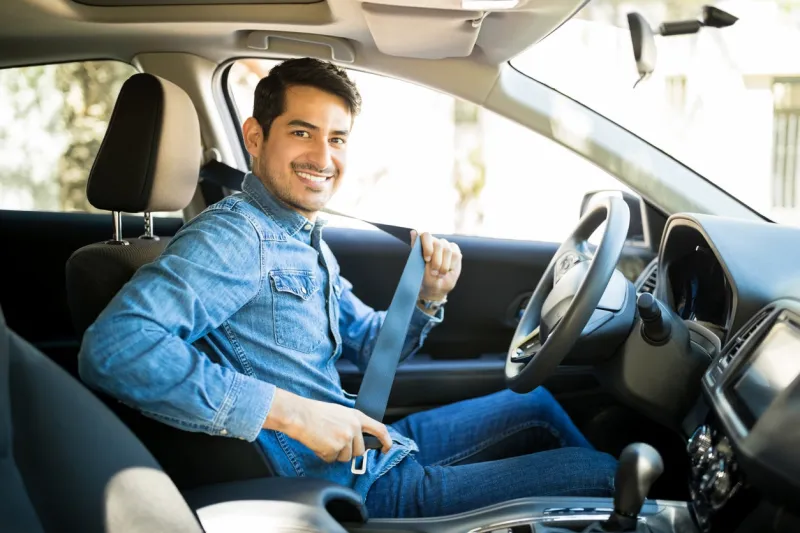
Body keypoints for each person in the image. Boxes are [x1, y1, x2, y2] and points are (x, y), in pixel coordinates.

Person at [79, 57, 617, 519]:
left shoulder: (299, 235)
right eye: (300, 132)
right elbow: (115, 349)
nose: (322, 155)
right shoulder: (235, 236)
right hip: (350, 486)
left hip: (367, 450)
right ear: (254, 137)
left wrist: (429, 294)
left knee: (540, 405)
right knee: (604, 476)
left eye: (336, 138)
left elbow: (372, 344)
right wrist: (295, 413)